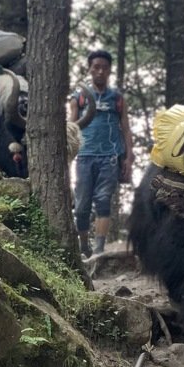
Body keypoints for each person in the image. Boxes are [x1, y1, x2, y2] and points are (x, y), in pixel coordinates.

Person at [70, 49, 134, 257]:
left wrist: (129, 158)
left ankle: (98, 249)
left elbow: (125, 128)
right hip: (85, 155)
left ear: (109, 71)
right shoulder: (78, 97)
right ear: (89, 69)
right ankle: (83, 247)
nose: (100, 71)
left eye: (104, 68)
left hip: (110, 156)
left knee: (103, 200)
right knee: (81, 205)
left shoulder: (117, 98)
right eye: (96, 67)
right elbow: (72, 127)